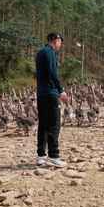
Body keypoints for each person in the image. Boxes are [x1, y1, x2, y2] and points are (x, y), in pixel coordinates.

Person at [35, 33, 69, 168]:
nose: (61, 45)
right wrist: (61, 90)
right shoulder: (50, 52)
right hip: (50, 93)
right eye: (61, 41)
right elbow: (52, 72)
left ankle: (41, 156)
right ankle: (54, 156)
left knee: (43, 124)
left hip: (41, 93)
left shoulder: (40, 53)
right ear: (56, 40)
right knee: (54, 124)